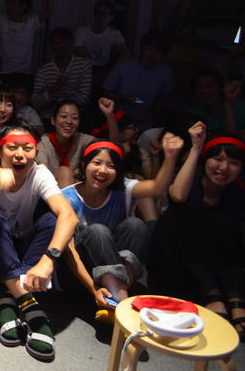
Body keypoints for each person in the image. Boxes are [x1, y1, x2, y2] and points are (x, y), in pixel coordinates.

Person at [0, 121, 78, 361]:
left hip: (17, 260)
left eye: (27, 148)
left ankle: (8, 298)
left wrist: (49, 259)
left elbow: (69, 216)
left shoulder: (39, 173)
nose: (20, 154)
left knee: (51, 221)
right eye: (12, 147)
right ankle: (30, 304)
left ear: (36, 152)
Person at [59, 135, 185, 319]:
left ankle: (117, 297)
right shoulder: (67, 198)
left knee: (136, 225)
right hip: (79, 274)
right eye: (97, 163)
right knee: (97, 230)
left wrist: (171, 157)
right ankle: (121, 303)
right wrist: (94, 289)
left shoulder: (123, 190)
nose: (103, 170)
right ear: (84, 165)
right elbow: (68, 253)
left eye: (111, 166)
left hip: (115, 272)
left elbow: (157, 188)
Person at [149, 124, 245, 339]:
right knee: (189, 216)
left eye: (234, 162)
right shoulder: (191, 180)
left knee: (224, 221)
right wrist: (196, 147)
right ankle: (213, 296)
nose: (224, 167)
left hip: (212, 264)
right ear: (205, 160)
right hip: (174, 261)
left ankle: (235, 299)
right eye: (217, 159)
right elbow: (177, 196)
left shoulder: (236, 192)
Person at [36, 98, 120, 188]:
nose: (69, 122)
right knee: (64, 171)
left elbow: (113, 147)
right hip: (49, 191)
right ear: (53, 120)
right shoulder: (43, 143)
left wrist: (109, 115)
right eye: (64, 116)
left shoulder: (81, 139)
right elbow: (43, 175)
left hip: (79, 190)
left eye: (74, 118)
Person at [104, 31, 173, 131]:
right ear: (142, 49)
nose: (153, 54)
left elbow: (163, 98)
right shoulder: (123, 68)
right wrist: (124, 97)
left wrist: (154, 115)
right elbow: (105, 94)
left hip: (145, 122)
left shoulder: (165, 73)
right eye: (150, 49)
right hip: (118, 119)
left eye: (158, 51)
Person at [31, 28, 92, 118]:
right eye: (54, 43)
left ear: (71, 43)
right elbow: (36, 102)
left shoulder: (83, 65)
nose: (58, 46)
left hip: (73, 117)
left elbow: (84, 96)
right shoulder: (43, 71)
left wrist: (53, 99)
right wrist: (56, 87)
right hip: (49, 117)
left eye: (61, 41)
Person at [74, 0, 129, 79]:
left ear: (111, 17)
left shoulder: (114, 33)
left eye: (105, 14)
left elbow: (126, 54)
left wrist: (112, 72)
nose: (101, 17)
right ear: (94, 14)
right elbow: (79, 54)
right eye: (98, 13)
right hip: (84, 68)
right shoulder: (82, 31)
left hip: (104, 69)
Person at [187, 68, 245, 137]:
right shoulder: (192, 115)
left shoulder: (240, 109)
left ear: (220, 88)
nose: (204, 91)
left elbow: (233, 138)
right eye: (198, 87)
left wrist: (228, 102)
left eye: (210, 86)